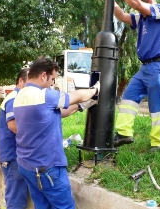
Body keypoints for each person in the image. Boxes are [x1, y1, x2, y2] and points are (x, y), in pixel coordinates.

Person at [13, 57, 99, 209]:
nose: (53, 83)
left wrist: (80, 106)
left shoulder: (20, 96)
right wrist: (96, 89)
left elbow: (57, 112)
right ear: (43, 75)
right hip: (47, 168)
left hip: (26, 165)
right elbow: (78, 95)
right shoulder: (44, 95)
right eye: (52, 78)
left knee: (42, 206)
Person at [103, 0, 160, 152]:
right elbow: (121, 15)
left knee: (155, 106)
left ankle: (157, 143)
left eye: (143, 9)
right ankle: (124, 133)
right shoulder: (143, 18)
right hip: (145, 67)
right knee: (129, 96)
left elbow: (136, 4)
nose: (141, 13)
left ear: (149, 2)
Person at [0, 68, 29, 209]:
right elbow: (13, 125)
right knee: (16, 197)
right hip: (12, 157)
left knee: (16, 195)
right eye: (31, 81)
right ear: (21, 81)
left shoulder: (19, 98)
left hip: (15, 155)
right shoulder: (14, 98)